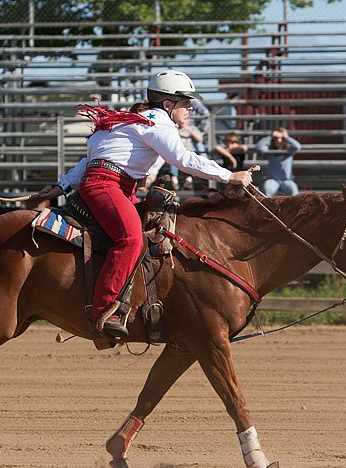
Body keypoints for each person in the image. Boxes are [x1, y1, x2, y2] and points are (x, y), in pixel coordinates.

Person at [39, 69, 255, 340]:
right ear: (168, 104)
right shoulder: (157, 122)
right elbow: (183, 159)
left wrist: (64, 184)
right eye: (185, 101)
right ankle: (104, 311)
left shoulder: (129, 121)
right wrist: (229, 175)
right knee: (130, 239)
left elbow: (91, 159)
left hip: (111, 185)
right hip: (108, 186)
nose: (190, 107)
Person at [255, 127, 302, 197]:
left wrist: (286, 136)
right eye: (276, 138)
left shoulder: (289, 149)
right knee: (267, 188)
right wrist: (271, 136)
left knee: (294, 190)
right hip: (273, 180)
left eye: (281, 138)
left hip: (287, 180)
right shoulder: (270, 149)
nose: (279, 141)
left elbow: (298, 146)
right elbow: (259, 147)